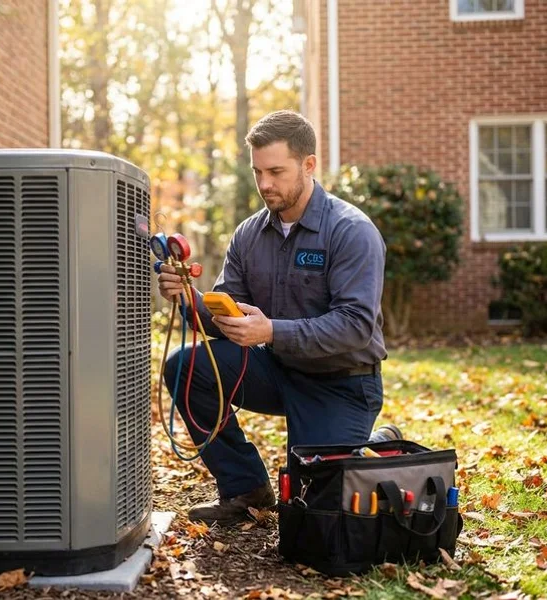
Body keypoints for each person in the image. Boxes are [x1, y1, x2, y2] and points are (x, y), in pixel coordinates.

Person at [158, 110, 401, 526]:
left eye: (276, 172)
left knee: (309, 516)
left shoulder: (351, 231)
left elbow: (356, 325)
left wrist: (270, 330)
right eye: (258, 172)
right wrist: (189, 298)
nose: (265, 184)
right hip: (276, 371)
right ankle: (246, 488)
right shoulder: (249, 235)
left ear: (308, 165)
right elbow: (227, 317)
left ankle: (374, 445)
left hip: (341, 384)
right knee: (187, 366)